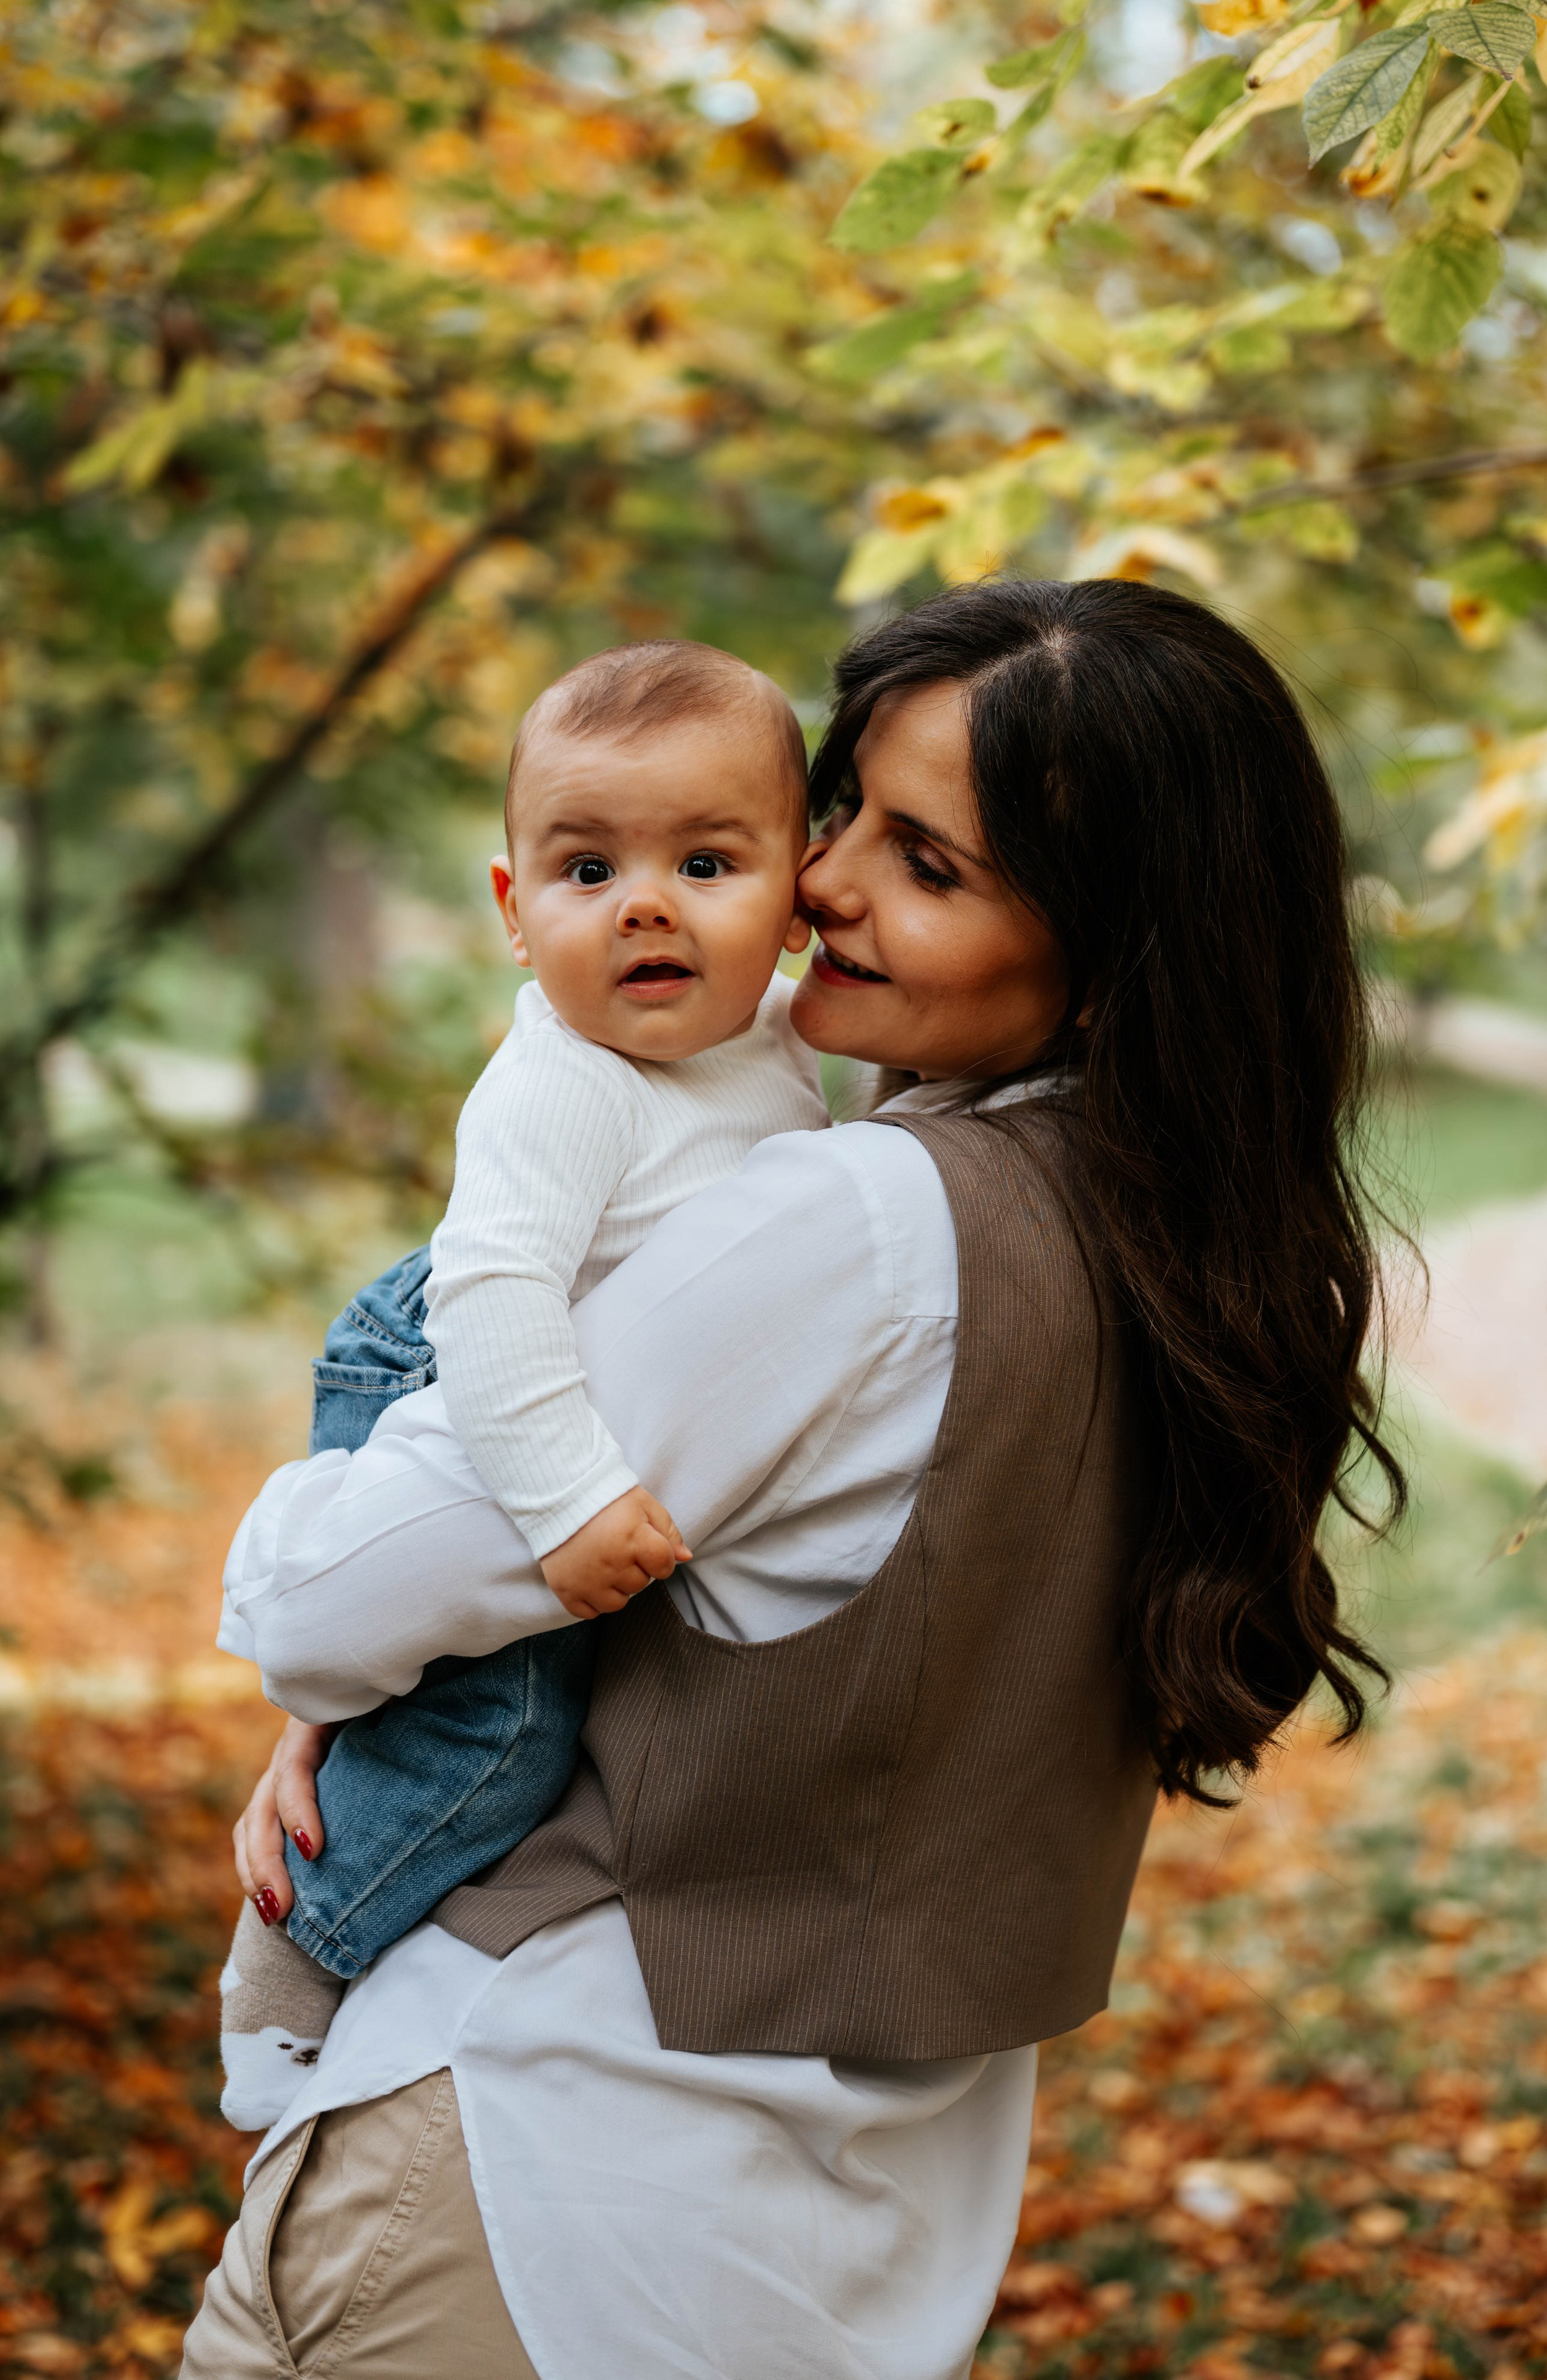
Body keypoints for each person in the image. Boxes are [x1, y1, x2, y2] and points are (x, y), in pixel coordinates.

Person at [183, 580, 1401, 2380]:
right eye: (845, 815)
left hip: (526, 2183)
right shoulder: (1195, 1267)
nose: (823, 884)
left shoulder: (855, 1228)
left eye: (929, 864)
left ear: (1116, 942)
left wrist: (344, 1662)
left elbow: (324, 1600)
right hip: (835, 2253)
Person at [217, 639, 829, 2128]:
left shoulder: (769, 1036)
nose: (643, 905)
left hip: (531, 1358)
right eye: (584, 870)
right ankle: (295, 1960)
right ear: (512, 910)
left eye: (703, 860)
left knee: (451, 1699)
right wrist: (565, 1504)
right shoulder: (567, 1078)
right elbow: (494, 1298)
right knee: (497, 1727)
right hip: (458, 1355)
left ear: (799, 888)